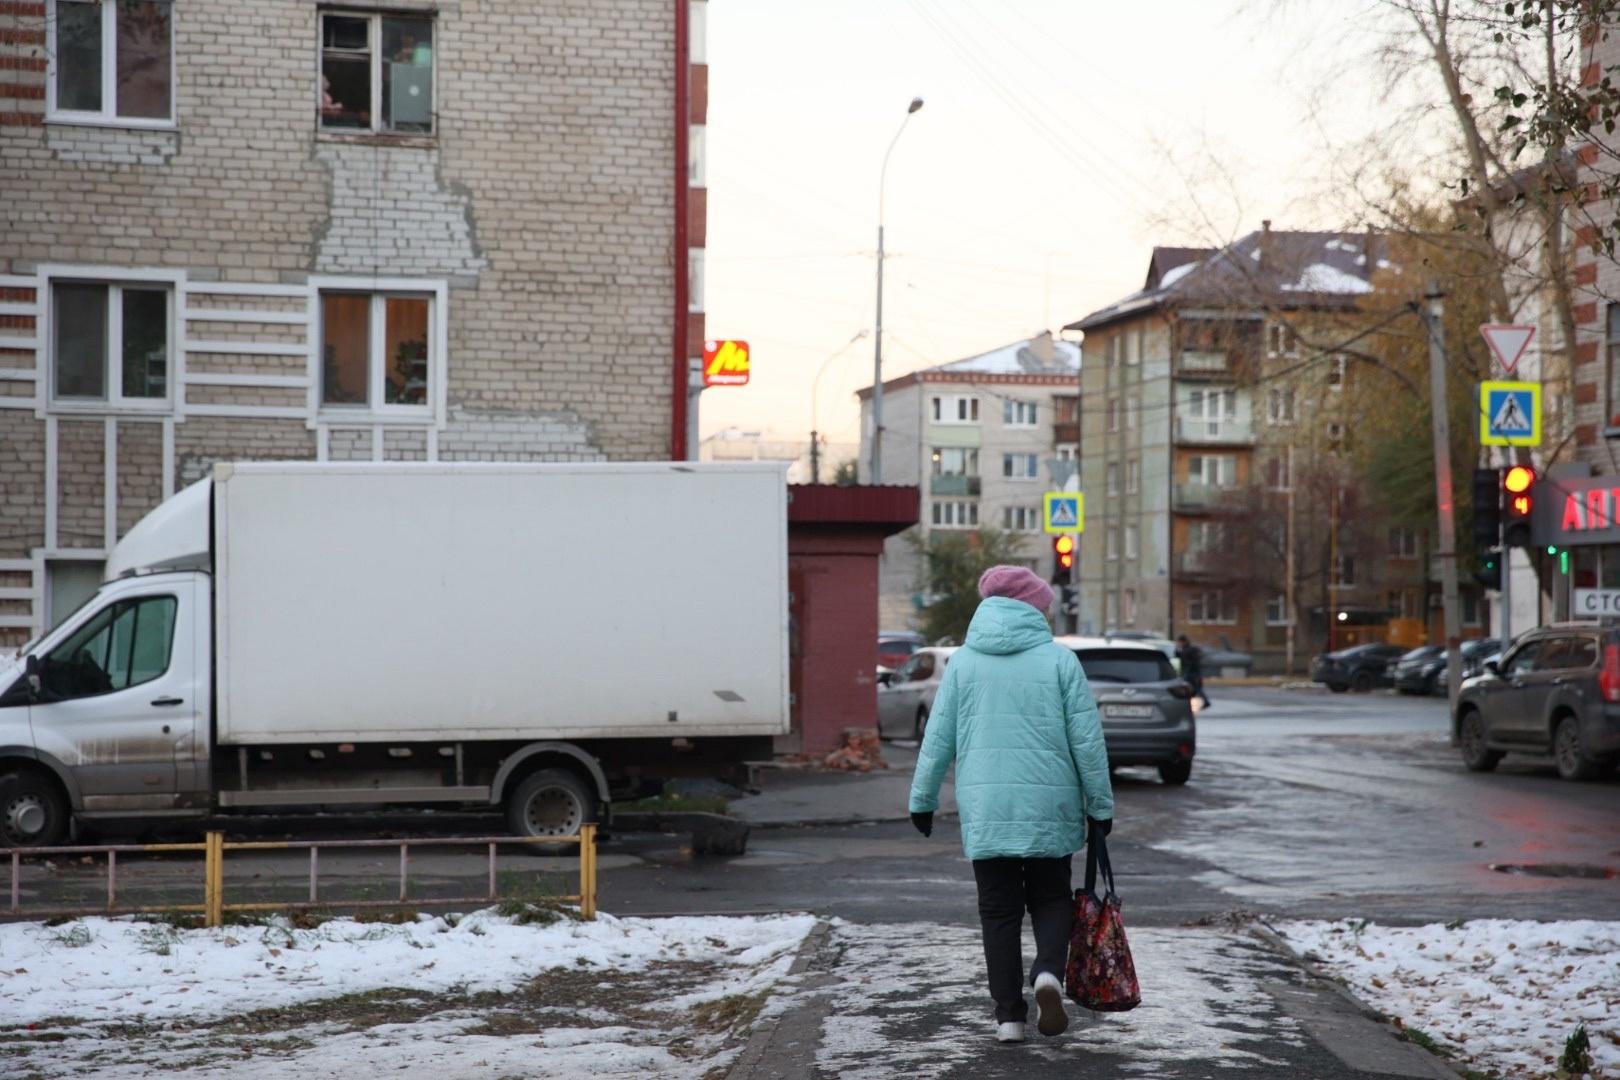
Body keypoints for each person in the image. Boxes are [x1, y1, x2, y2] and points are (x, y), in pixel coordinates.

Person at [909, 565, 1115, 1044]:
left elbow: (937, 736)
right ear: (1033, 607)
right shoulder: (1059, 661)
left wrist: (922, 799)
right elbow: (1087, 741)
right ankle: (1047, 973)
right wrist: (1100, 806)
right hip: (1051, 804)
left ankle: (1008, 1018)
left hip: (987, 807)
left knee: (997, 911)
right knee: (1049, 897)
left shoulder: (962, 662)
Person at [1175, 634, 1210, 709]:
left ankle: (1204, 702)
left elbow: (1190, 662)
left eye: (1179, 642)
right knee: (1193, 688)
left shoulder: (1188, 650)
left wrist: (1196, 674)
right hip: (1191, 673)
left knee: (1192, 688)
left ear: (1182, 642)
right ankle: (1202, 702)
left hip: (1191, 673)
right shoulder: (1187, 649)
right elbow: (1180, 656)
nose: (1179, 644)